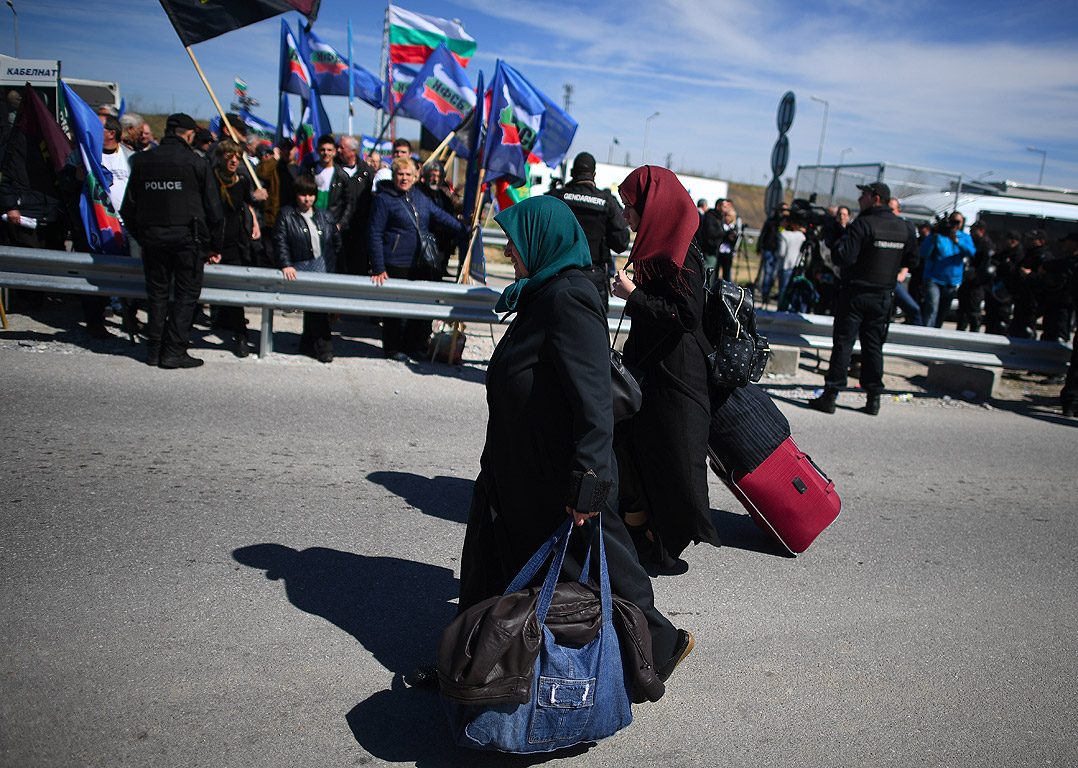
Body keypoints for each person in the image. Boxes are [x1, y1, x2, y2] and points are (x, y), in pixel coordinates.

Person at [447, 194, 692, 693]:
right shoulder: (539, 292)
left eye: (516, 243)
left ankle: (657, 648)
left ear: (544, 240)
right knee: (490, 565)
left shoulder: (569, 296)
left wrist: (589, 484)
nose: (511, 252)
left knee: (604, 571)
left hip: (558, 472)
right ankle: (471, 663)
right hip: (515, 467)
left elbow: (594, 401)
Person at [611, 165, 720, 572]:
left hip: (676, 373)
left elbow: (687, 316)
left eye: (629, 206)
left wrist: (633, 294)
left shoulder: (681, 249)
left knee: (672, 458)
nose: (624, 215)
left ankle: (663, 544)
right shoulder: (659, 241)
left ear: (651, 207)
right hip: (651, 365)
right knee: (635, 445)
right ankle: (639, 527)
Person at [121, 113, 224, 368]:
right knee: (186, 296)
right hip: (188, 241)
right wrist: (213, 246)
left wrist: (143, 236)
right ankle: (173, 351)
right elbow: (215, 210)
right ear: (189, 134)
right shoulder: (196, 163)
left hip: (154, 241)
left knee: (156, 295)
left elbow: (128, 209)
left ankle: (154, 351)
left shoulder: (141, 161)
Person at [808, 182, 917, 416]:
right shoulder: (904, 227)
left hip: (856, 293)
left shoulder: (863, 224)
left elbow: (843, 257)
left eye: (863, 195)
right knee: (874, 346)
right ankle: (873, 398)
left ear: (875, 198)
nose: (859, 199)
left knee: (844, 344)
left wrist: (837, 246)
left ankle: (830, 396)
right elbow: (913, 259)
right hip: (883, 296)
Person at [367, 156, 464, 360]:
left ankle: (412, 346)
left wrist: (464, 228)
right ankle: (392, 348)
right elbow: (374, 233)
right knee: (394, 311)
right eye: (400, 174)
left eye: (408, 174)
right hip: (395, 263)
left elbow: (440, 216)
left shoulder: (420, 197)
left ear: (415, 176)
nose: (404, 178)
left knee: (416, 309)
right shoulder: (384, 200)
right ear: (393, 176)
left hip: (420, 263)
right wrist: (378, 266)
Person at [545, 151, 630, 309]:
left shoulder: (557, 196)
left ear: (572, 173)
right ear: (594, 174)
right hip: (593, 277)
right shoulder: (606, 202)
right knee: (592, 328)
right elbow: (621, 244)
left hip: (558, 274)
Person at [274, 174, 341, 363]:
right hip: (300, 268)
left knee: (316, 307)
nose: (307, 199)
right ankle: (324, 347)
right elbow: (280, 242)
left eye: (311, 195)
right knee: (317, 308)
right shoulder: (287, 214)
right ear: (296, 195)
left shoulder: (325, 215)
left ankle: (307, 343)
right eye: (303, 195)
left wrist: (331, 262)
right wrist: (285, 264)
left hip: (324, 267)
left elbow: (336, 242)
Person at [211, 139, 260, 357]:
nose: (233, 161)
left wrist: (254, 223)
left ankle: (241, 336)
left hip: (234, 243)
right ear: (220, 157)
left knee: (235, 292)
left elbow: (245, 206)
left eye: (238, 157)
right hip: (212, 243)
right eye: (229, 156)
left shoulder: (242, 181)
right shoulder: (209, 179)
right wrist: (209, 247)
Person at [920, 212, 974, 328]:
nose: (954, 225)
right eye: (952, 222)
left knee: (943, 311)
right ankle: (926, 333)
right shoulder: (938, 235)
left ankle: (936, 332)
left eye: (957, 222)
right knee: (932, 307)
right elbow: (923, 252)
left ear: (962, 223)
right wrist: (934, 235)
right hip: (934, 278)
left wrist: (956, 241)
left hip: (951, 281)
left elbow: (972, 252)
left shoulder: (964, 237)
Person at [335, 135, 375, 276]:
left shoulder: (366, 171)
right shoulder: (334, 169)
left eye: (342, 148)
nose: (338, 150)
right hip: (338, 227)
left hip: (359, 229)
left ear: (353, 151)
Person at [955, 221, 995, 332]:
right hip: (967, 282)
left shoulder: (986, 245)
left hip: (977, 285)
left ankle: (974, 333)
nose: (971, 233)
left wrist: (975, 277)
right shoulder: (973, 243)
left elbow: (986, 268)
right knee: (962, 312)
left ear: (981, 231)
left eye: (974, 230)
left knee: (973, 312)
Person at [887, 199, 922, 325]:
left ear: (898, 211)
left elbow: (911, 256)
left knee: (914, 310)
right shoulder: (880, 226)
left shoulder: (905, 228)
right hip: (879, 279)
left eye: (891, 210)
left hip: (894, 279)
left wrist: (903, 272)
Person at [755, 201, 789, 305]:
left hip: (779, 251)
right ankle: (765, 295)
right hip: (769, 250)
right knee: (768, 274)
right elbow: (764, 234)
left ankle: (773, 294)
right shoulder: (771, 222)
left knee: (775, 275)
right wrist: (760, 248)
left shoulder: (785, 224)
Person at [715, 199, 742, 284]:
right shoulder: (721, 226)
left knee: (726, 272)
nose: (727, 218)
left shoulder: (733, 228)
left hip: (728, 252)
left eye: (729, 216)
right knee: (716, 271)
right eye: (726, 216)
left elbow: (734, 239)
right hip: (719, 251)